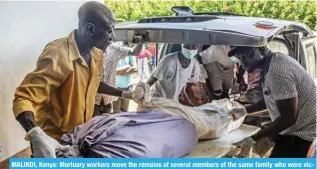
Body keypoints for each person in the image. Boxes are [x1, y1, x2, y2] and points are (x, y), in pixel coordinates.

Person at [12, 1, 144, 158]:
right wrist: (36, 135)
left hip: (80, 136)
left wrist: (124, 94)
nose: (113, 37)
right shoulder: (58, 54)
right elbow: (23, 98)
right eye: (109, 31)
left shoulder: (97, 54)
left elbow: (92, 83)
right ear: (90, 29)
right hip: (53, 140)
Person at [230, 46, 316, 157]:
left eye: (247, 54)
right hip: (296, 130)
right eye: (239, 57)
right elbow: (272, 98)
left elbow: (288, 119)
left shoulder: (276, 70)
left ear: (261, 49)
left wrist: (253, 138)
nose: (243, 61)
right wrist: (244, 110)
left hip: (302, 136)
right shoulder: (274, 62)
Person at [94, 41, 142, 115]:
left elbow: (135, 52)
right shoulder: (90, 49)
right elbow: (96, 84)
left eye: (111, 32)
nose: (111, 35)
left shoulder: (114, 48)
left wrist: (141, 40)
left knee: (106, 122)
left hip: (107, 98)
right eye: (108, 31)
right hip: (91, 99)